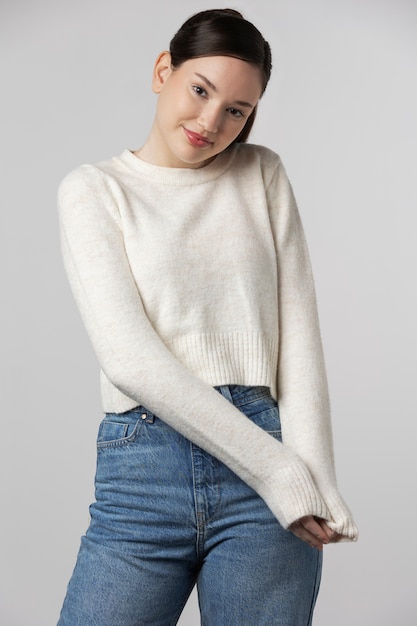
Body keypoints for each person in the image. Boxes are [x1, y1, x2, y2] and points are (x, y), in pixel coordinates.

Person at [56, 8, 358, 626]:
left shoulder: (262, 174)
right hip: (144, 472)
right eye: (201, 90)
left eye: (237, 111)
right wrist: (279, 472)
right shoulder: (93, 190)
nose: (210, 121)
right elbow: (127, 356)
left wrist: (314, 478)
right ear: (163, 70)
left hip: (267, 473)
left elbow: (297, 338)